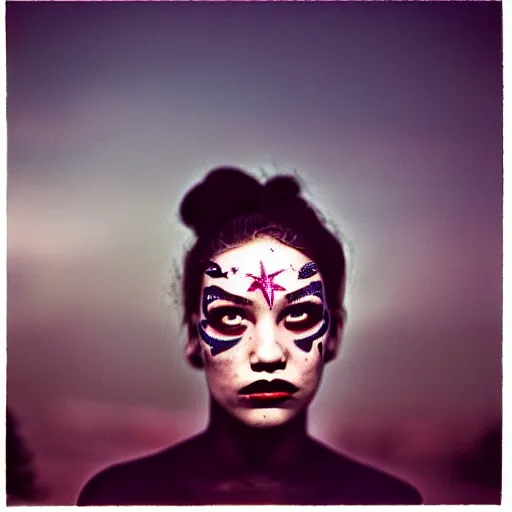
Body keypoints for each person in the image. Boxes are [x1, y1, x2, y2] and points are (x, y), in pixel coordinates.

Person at [77, 167, 423, 505]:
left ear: (334, 334)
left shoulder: (389, 504)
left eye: (299, 315)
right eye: (230, 317)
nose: (268, 354)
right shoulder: (120, 501)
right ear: (194, 339)